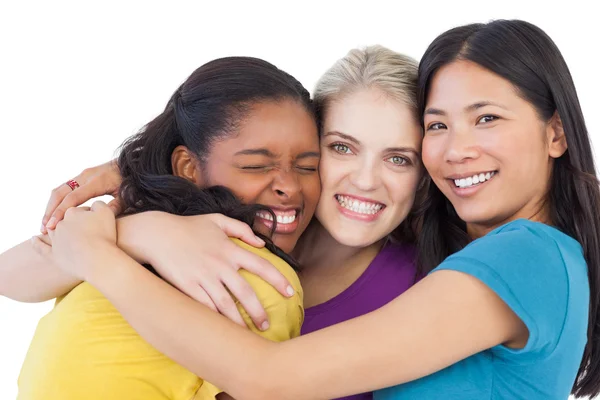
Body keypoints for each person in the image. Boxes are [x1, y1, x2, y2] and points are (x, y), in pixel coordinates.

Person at [41, 19, 600, 399]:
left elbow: (266, 376)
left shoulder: (528, 255)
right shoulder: (471, 258)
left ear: (556, 132)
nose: (456, 150)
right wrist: (144, 203)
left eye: (487, 118)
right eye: (438, 125)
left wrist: (101, 257)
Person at [3, 46, 425, 400]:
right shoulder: (220, 222)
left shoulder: (421, 284)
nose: (366, 180)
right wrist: (143, 231)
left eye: (399, 158)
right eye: (341, 148)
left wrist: (105, 248)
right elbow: (11, 276)